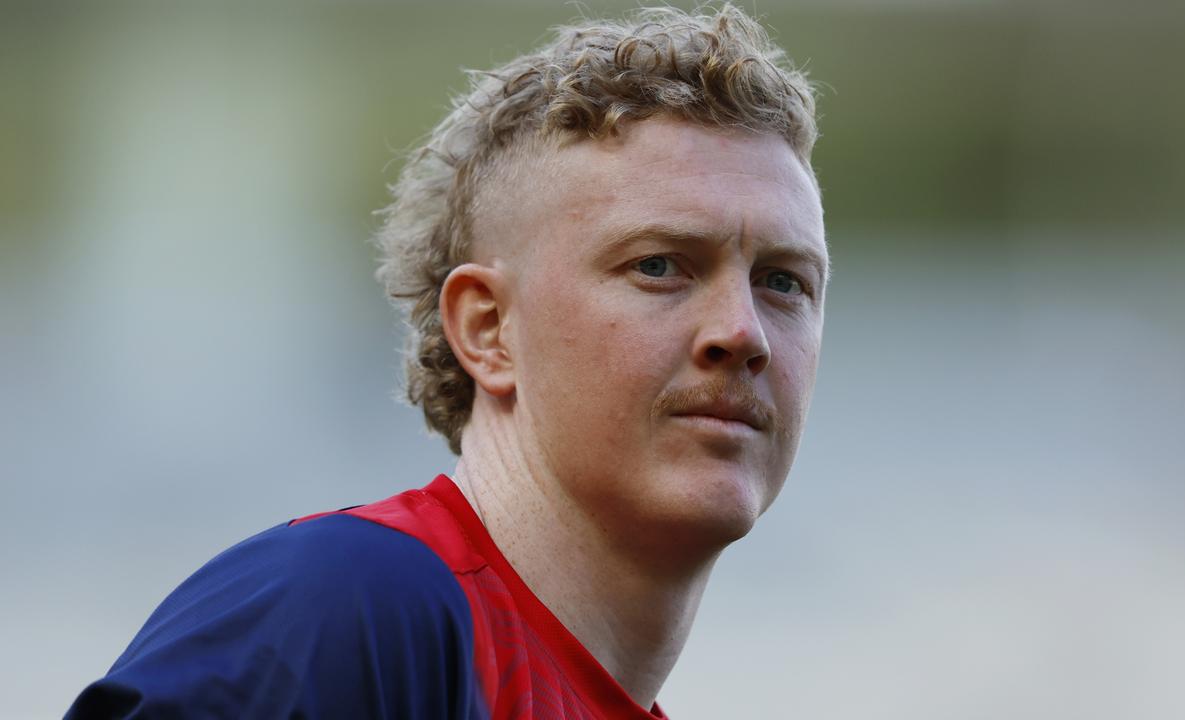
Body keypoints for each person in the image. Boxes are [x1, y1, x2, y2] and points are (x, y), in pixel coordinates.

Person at [66, 4, 827, 718]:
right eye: (660, 266)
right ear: (489, 329)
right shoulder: (346, 606)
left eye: (784, 283)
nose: (743, 331)